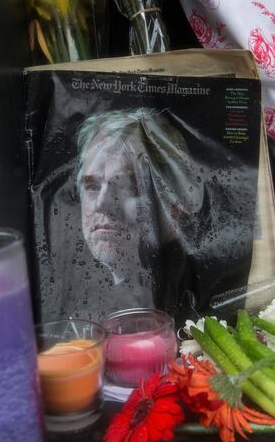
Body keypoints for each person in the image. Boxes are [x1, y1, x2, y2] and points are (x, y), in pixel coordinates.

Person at [70, 108, 203, 318]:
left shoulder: (192, 301)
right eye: (93, 186)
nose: (102, 204)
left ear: (175, 205)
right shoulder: (84, 297)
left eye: (128, 186)